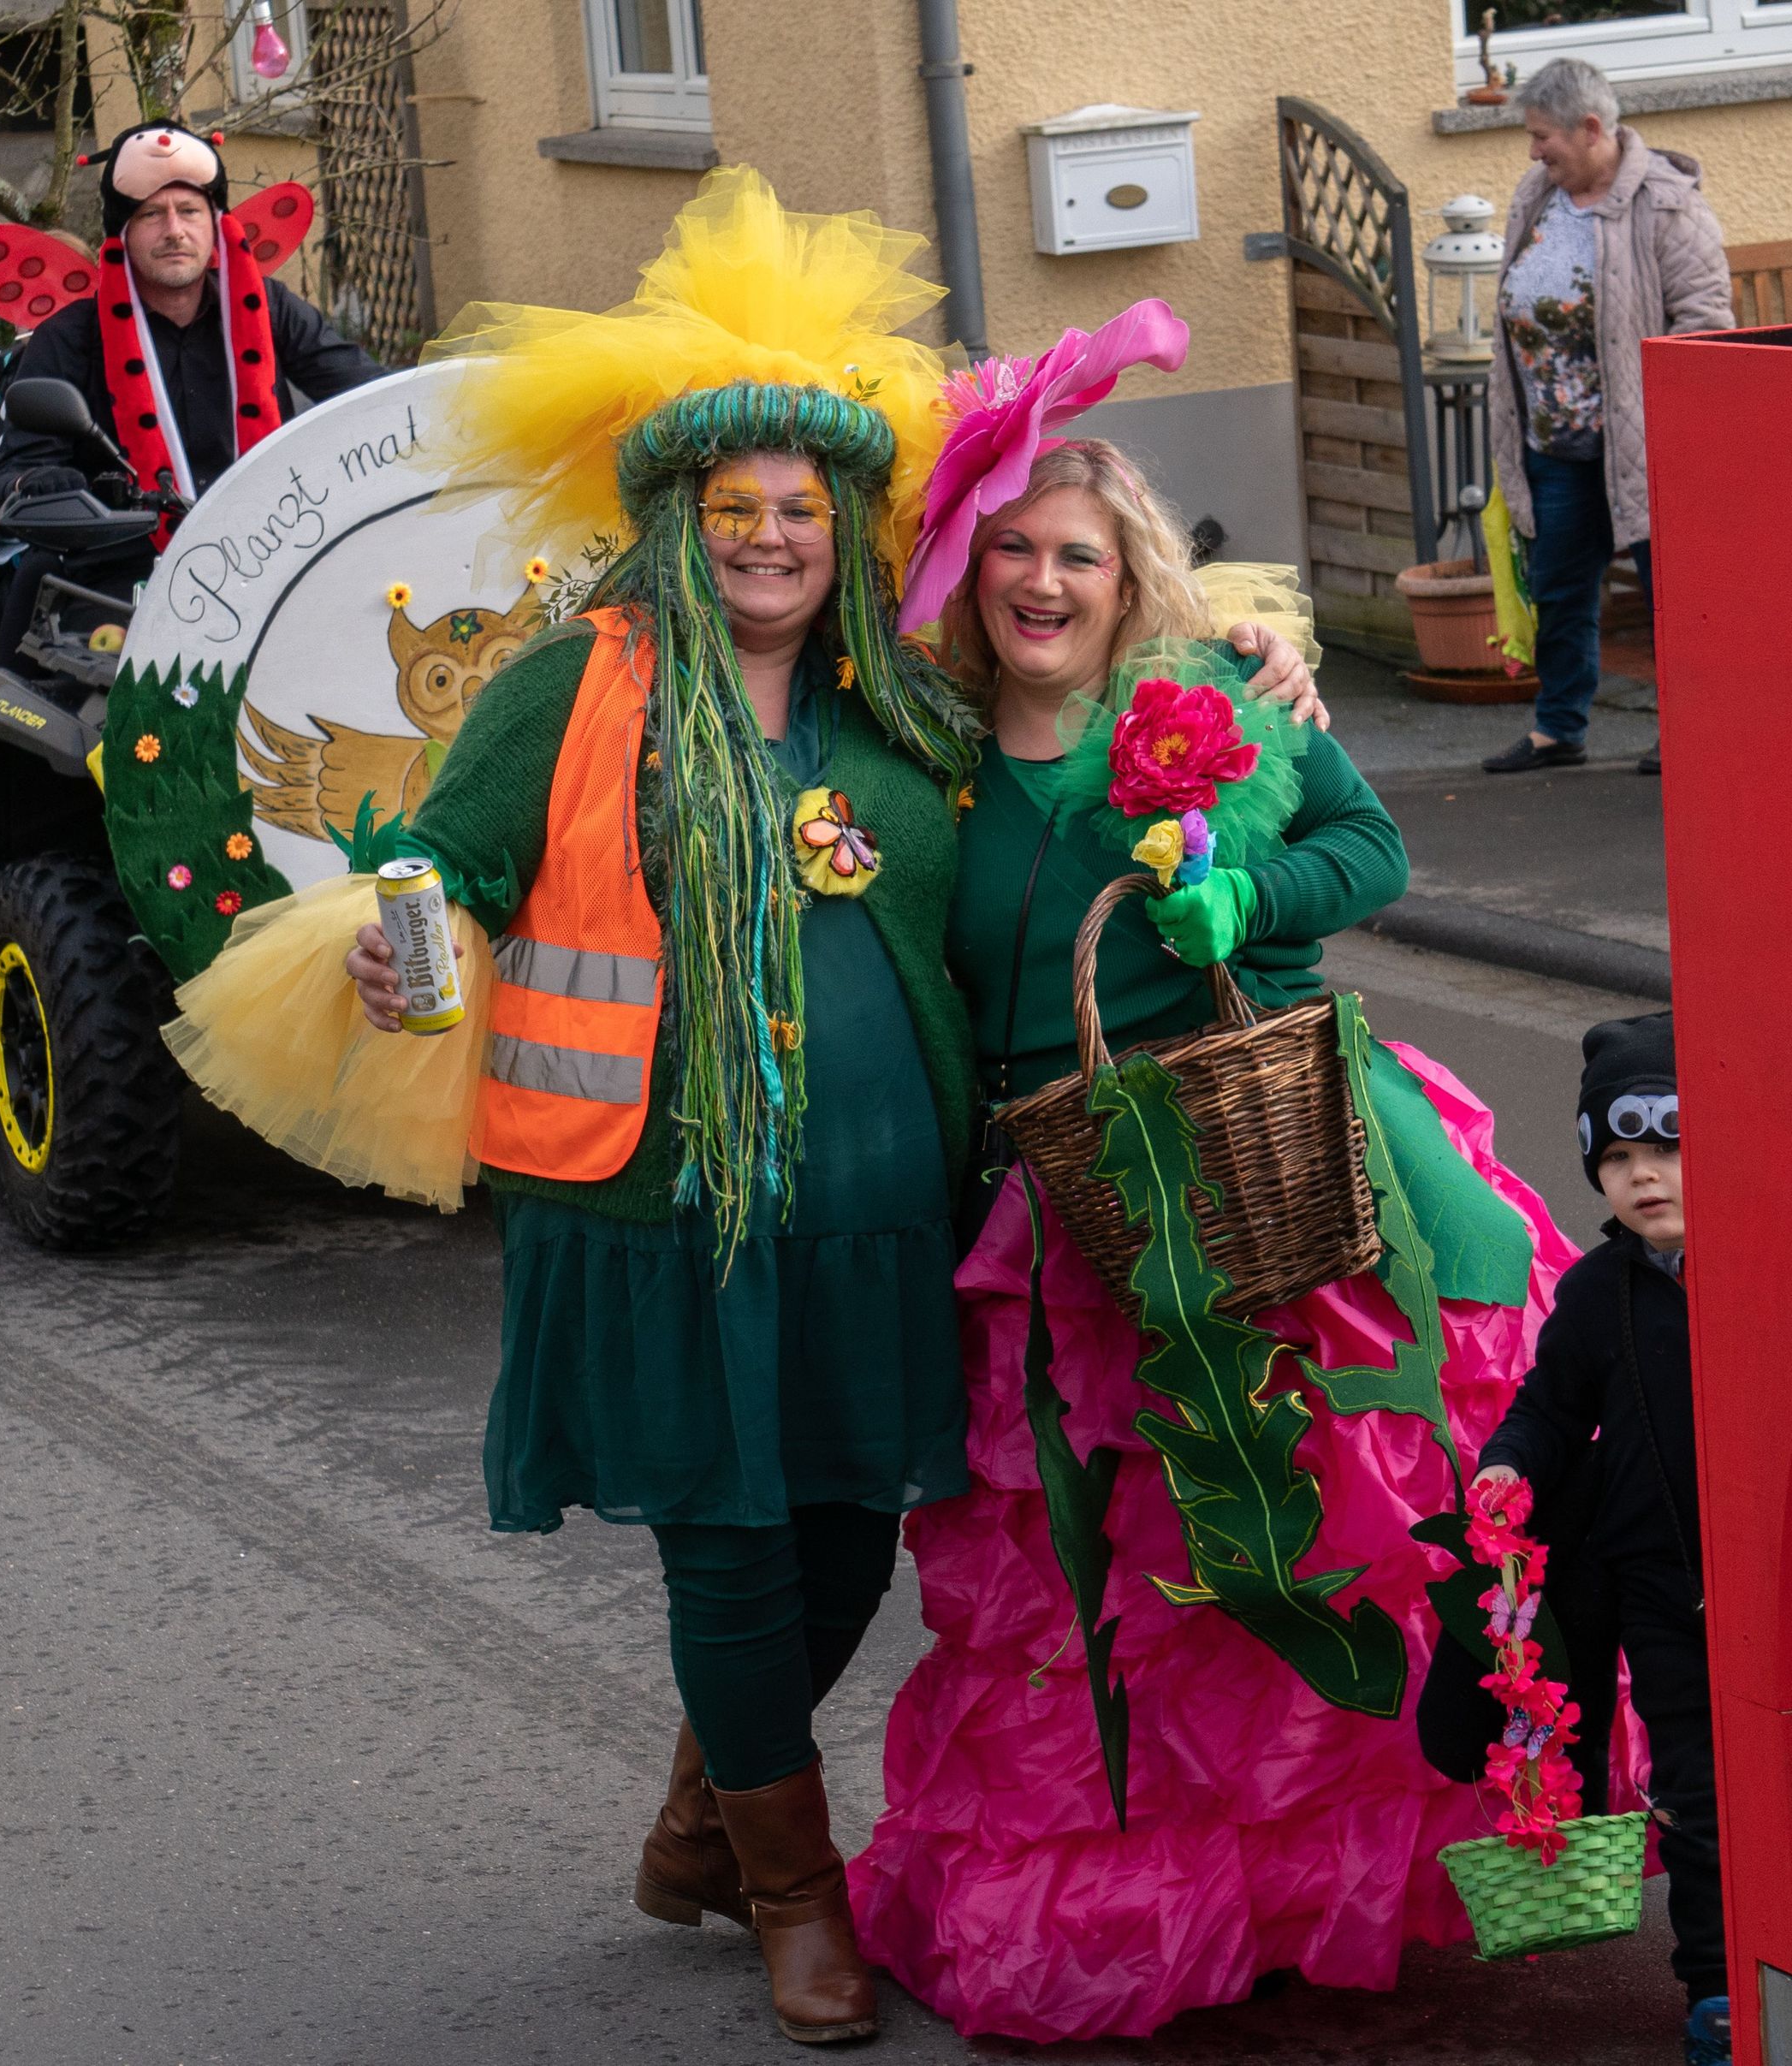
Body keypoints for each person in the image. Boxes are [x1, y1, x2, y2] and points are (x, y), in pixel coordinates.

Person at [161, 175, 1316, 2047]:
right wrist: (409, 943)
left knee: (853, 1527)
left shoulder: (906, 702)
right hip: (653, 1208)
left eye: (803, 510)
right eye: (735, 510)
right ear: (678, 530)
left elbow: (1090, 669)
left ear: (846, 533)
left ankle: (706, 1813)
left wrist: (1260, 664)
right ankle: (797, 1888)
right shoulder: (567, 688)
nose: (771, 536)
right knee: (732, 1532)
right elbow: (445, 863)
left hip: (887, 1210)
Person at [849, 306, 1584, 2043]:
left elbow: (1367, 846)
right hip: (1071, 1205)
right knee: (1118, 1580)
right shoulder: (923, 747)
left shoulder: (1211, 699)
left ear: (1129, 575)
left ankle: (1449, 1865)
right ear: (970, 573)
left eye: (1078, 557)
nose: (1042, 583)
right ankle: (1173, 1901)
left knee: (1377, 1517)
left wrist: (1246, 901)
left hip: (1283, 1170)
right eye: (1012, 551)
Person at [1468, 1015, 1725, 2066]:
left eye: (1666, 1147)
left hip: (1767, 1583)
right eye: (1617, 1157)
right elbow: (1547, 1402)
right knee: (1698, 1795)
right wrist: (1509, 1460)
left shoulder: (1761, 1266)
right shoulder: (1594, 1293)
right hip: (1660, 1587)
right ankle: (1717, 1990)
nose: (1644, 1175)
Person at [1481, 56, 1730, 780]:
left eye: (1542, 136)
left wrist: (1680, 429)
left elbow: (1708, 325)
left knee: (1671, 595)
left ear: (1591, 129)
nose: (1533, 152)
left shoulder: (1666, 204)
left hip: (1645, 443)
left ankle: (1686, 729)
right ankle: (1559, 729)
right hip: (1555, 441)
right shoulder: (1538, 194)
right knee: (1560, 586)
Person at [0, 118, 381, 551]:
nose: (174, 231)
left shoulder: (270, 306)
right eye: (151, 214)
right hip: (121, 572)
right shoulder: (67, 336)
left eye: (189, 211)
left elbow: (367, 391)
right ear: (122, 235)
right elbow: (12, 478)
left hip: (269, 555)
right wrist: (40, 484)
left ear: (217, 224)